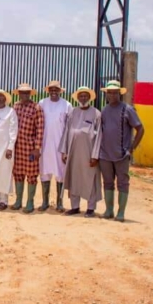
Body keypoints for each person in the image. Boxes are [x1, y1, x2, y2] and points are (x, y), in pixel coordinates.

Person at [99, 80, 145, 222]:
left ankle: (121, 212)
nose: (112, 95)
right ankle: (109, 210)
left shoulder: (127, 109)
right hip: (105, 154)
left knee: (123, 183)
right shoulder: (105, 110)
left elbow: (140, 129)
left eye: (115, 92)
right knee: (107, 182)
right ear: (106, 94)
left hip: (121, 154)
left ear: (119, 93)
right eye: (109, 92)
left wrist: (132, 148)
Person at [60, 86, 102, 218]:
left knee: (90, 179)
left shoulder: (96, 113)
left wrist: (95, 155)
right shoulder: (73, 112)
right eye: (81, 96)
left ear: (89, 97)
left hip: (89, 153)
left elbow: (100, 134)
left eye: (85, 96)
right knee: (74, 178)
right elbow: (67, 131)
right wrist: (64, 151)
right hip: (73, 152)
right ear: (77, 98)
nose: (83, 98)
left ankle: (90, 208)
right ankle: (75, 206)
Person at [11, 83, 45, 214]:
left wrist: (37, 148)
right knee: (18, 174)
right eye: (22, 92)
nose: (24, 95)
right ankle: (18, 200)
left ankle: (30, 202)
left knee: (31, 175)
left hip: (30, 147)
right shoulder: (15, 107)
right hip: (17, 146)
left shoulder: (37, 108)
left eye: (27, 92)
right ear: (18, 93)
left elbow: (40, 129)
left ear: (30, 93)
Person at [38, 81, 72, 212]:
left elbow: (69, 127)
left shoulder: (67, 105)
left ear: (60, 91)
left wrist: (66, 148)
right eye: (51, 89)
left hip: (60, 145)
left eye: (56, 89)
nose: (53, 91)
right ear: (48, 90)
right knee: (44, 172)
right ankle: (45, 202)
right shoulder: (42, 103)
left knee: (61, 173)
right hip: (45, 144)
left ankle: (59, 202)